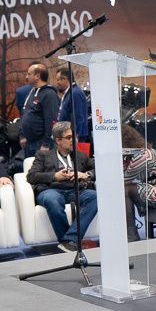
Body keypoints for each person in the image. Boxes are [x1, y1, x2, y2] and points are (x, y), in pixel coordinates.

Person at [26, 121, 98, 252]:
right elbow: (31, 176)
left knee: (95, 197)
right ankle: (70, 241)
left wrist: (86, 174)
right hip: (51, 190)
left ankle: (69, 240)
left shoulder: (80, 156)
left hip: (76, 189)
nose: (74, 140)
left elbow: (99, 167)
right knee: (52, 200)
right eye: (69, 137)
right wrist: (54, 176)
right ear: (58, 140)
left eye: (75, 136)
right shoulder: (43, 156)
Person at [19, 63, 60, 158]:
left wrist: (46, 144)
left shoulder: (49, 94)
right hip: (29, 142)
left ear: (37, 76)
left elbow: (51, 121)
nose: (26, 77)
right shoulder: (32, 92)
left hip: (41, 143)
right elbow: (24, 113)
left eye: (29, 74)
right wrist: (22, 135)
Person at [55, 67, 90, 154]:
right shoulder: (70, 93)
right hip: (69, 138)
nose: (57, 83)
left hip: (75, 140)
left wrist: (75, 138)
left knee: (78, 161)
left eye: (58, 80)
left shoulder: (75, 93)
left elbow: (79, 118)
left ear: (65, 79)